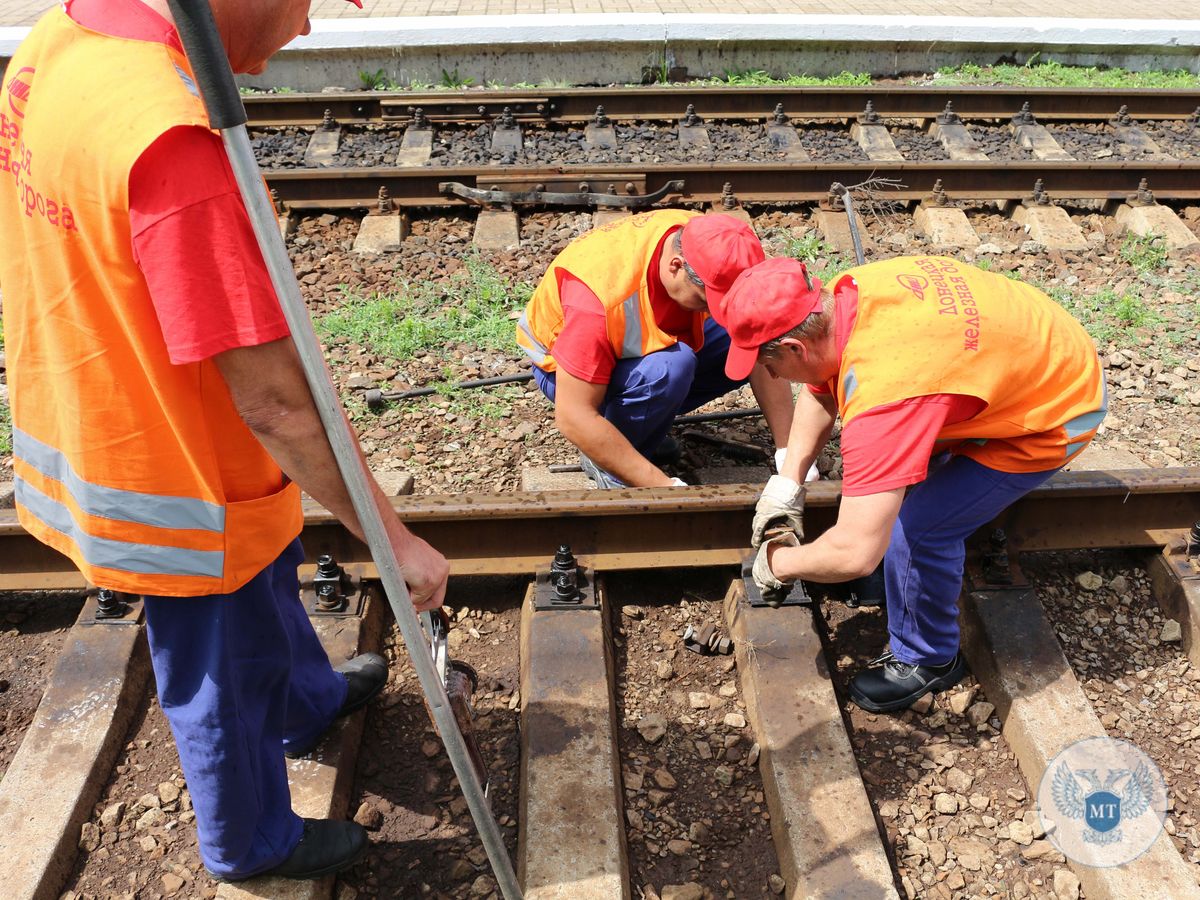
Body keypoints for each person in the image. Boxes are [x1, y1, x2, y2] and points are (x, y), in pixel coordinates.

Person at [0, 0, 446, 884]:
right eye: (305, 2)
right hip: (166, 469)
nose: (308, 29)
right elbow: (279, 405)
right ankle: (252, 842)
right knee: (219, 662)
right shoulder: (171, 144)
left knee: (267, 577)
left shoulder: (62, 37)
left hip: (110, 398)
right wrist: (394, 545)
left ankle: (306, 704)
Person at [721, 255, 1106, 712]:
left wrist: (779, 564)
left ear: (795, 348)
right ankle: (900, 581)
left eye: (770, 364)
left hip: (1054, 410)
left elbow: (855, 552)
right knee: (883, 487)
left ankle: (930, 659)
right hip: (1019, 354)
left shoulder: (889, 392)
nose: (771, 376)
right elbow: (822, 384)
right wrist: (788, 481)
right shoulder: (846, 295)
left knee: (919, 527)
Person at [515, 209, 805, 488]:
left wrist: (789, 452)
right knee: (669, 369)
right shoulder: (598, 301)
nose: (715, 312)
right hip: (564, 375)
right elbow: (574, 415)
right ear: (675, 266)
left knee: (745, 335)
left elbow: (753, 337)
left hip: (632, 345)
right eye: (708, 301)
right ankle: (611, 458)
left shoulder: (713, 241)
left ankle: (637, 430)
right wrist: (664, 486)